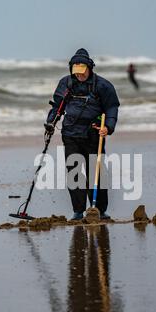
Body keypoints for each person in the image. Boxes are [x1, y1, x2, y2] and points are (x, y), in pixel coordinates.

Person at [45, 48, 120, 220]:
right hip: (71, 134)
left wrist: (108, 127)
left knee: (97, 172)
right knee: (74, 172)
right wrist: (50, 123)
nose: (79, 75)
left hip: (94, 135)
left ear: (90, 68)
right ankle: (78, 212)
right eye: (76, 72)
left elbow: (112, 107)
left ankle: (99, 210)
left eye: (82, 72)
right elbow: (57, 106)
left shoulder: (103, 85)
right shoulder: (66, 83)